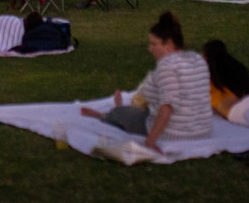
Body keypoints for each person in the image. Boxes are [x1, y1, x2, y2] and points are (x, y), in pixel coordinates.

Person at [80, 12, 212, 151]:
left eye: (154, 44)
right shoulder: (197, 59)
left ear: (168, 44)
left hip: (173, 134)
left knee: (120, 113)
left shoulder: (167, 68)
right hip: (202, 131)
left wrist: (151, 140)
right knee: (141, 108)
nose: (150, 49)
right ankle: (116, 110)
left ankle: (105, 115)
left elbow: (167, 106)